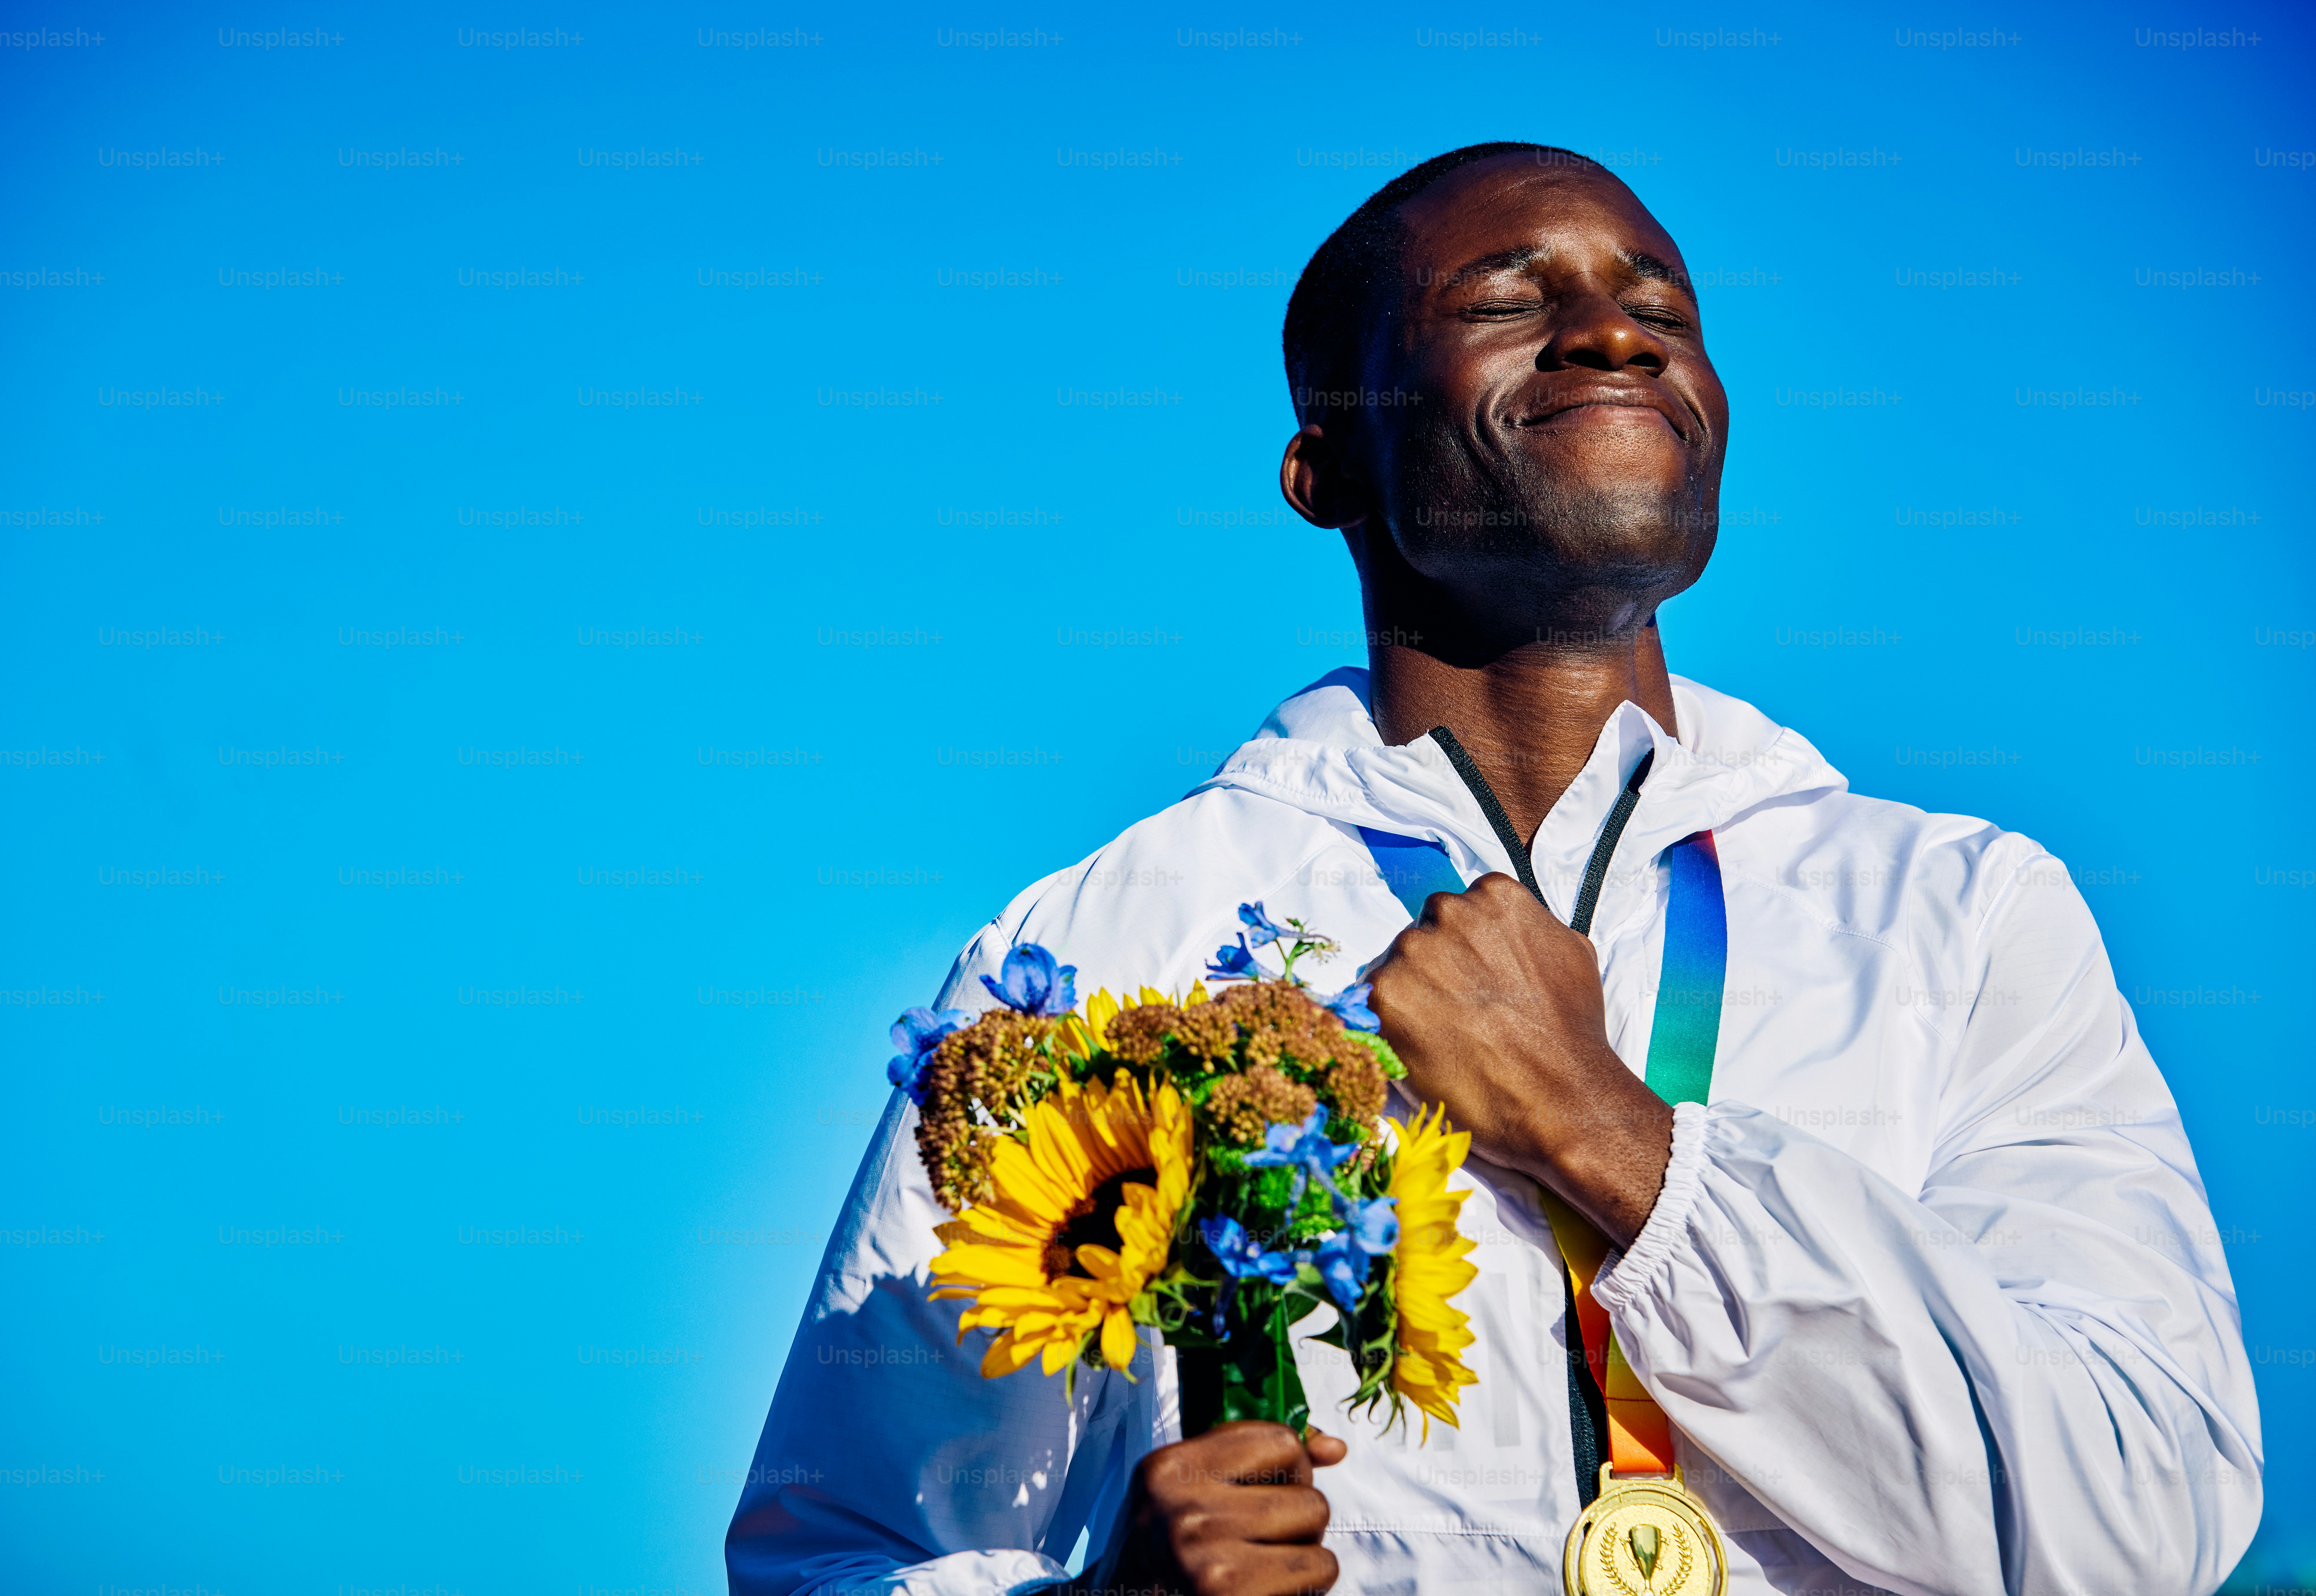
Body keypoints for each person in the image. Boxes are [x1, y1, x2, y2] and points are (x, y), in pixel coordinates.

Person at [724, 143, 2260, 1596]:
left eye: (1661, 310)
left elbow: (2147, 1505)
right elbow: (836, 1550)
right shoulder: (1104, 942)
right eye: (1509, 304)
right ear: (1324, 464)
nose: (1612, 334)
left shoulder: (1963, 912)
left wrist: (1613, 1133)